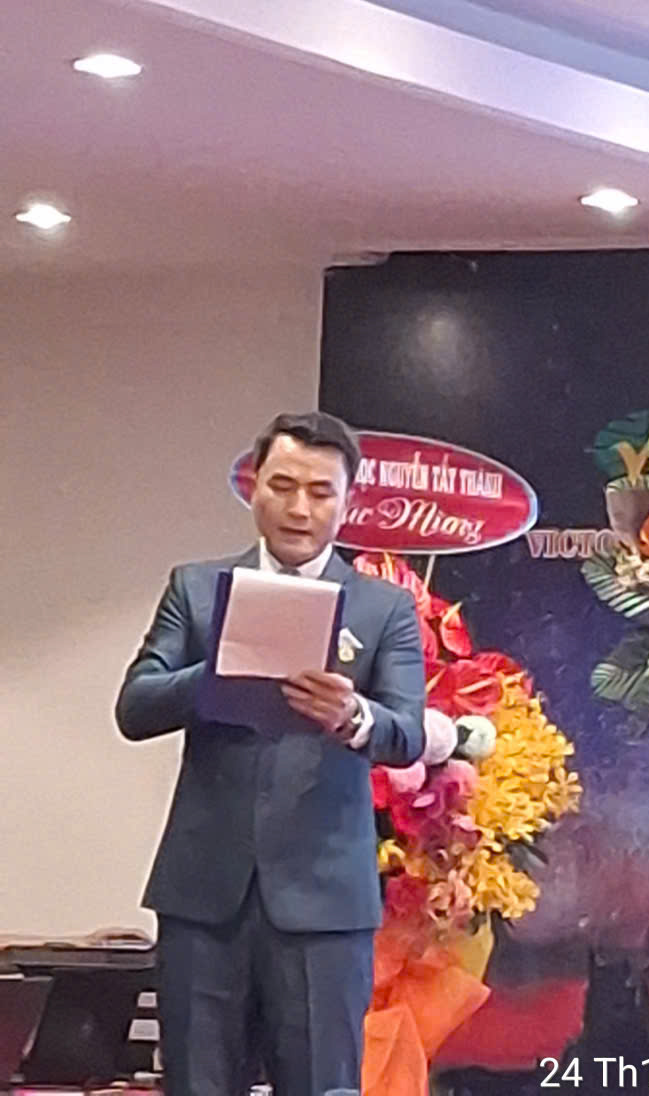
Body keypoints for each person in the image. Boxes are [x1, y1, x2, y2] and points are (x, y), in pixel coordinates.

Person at [115, 411, 426, 1096]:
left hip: (325, 908)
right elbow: (134, 707)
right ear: (253, 487)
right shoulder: (196, 589)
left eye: (320, 491)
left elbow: (406, 731)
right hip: (203, 901)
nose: (298, 508)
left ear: (348, 502)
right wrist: (217, 673)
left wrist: (353, 716)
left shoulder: (383, 608)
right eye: (282, 486)